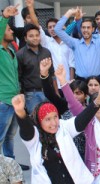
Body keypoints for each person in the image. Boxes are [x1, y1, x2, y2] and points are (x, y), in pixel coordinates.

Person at [11, 86, 100, 183]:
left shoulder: (63, 127)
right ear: (40, 121)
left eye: (55, 117)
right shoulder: (34, 137)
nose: (53, 123)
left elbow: (81, 120)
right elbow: (26, 130)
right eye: (48, 119)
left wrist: (98, 100)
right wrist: (20, 112)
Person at [54, 6, 100, 79]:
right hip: (80, 82)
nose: (85, 30)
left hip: (95, 81)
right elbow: (57, 29)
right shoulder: (75, 43)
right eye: (83, 27)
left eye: (88, 27)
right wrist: (69, 12)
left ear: (93, 29)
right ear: (80, 29)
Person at [0, 5, 27, 171]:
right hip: (4, 101)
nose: (12, 32)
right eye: (9, 29)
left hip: (15, 99)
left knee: (10, 136)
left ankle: (10, 165)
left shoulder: (10, 50)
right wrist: (4, 17)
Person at [16, 23, 53, 114]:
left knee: (48, 117)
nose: (35, 38)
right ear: (25, 38)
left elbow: (52, 73)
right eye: (31, 36)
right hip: (31, 94)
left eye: (37, 35)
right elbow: (18, 77)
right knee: (35, 119)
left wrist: (55, 92)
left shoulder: (46, 52)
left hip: (48, 92)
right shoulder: (20, 54)